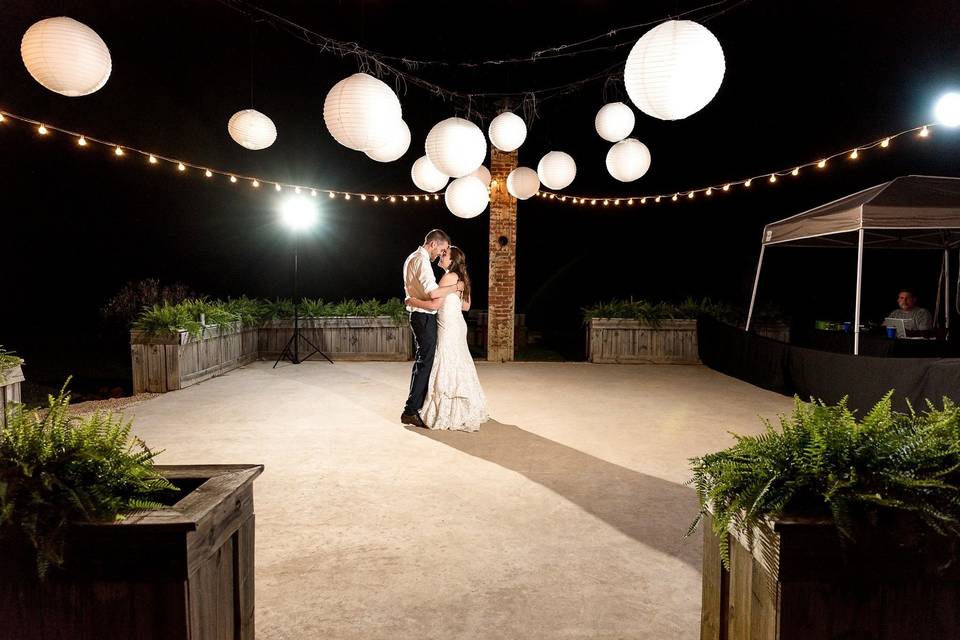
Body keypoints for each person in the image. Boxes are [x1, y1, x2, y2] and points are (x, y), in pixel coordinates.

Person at [405, 246, 488, 432]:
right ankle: (465, 406)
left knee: (445, 360)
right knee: (459, 360)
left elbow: (434, 300)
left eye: (445, 255)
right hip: (458, 325)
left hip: (447, 326)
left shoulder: (448, 277)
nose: (441, 256)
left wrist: (412, 301)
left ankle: (447, 410)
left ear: (452, 261)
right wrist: (455, 293)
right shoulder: (462, 278)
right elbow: (466, 306)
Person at [401, 230, 464, 428]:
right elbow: (434, 293)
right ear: (434, 244)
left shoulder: (413, 257)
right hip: (423, 316)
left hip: (420, 316)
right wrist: (456, 287)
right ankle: (411, 410)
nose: (442, 253)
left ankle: (415, 406)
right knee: (425, 363)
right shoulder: (422, 261)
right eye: (443, 249)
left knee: (424, 361)